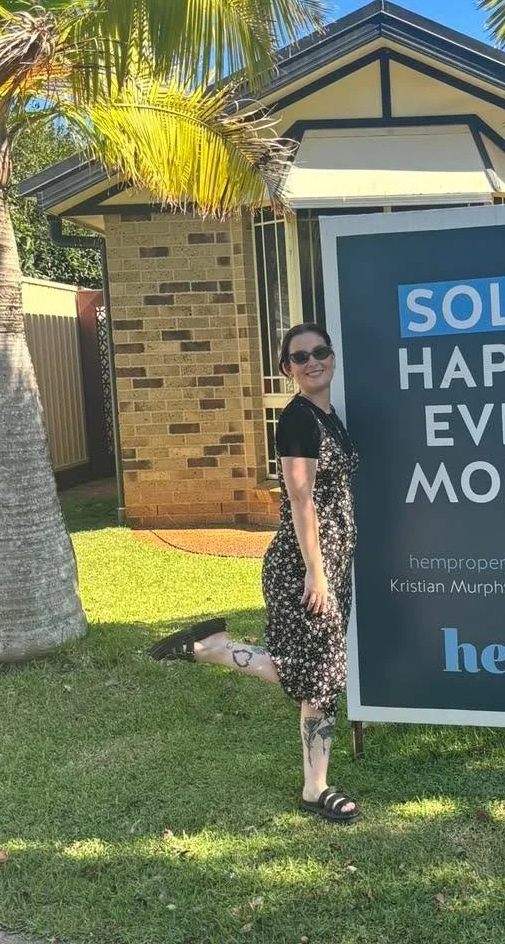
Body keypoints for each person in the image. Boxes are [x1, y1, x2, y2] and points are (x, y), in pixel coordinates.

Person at [149, 322, 360, 824]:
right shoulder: (299, 420)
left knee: (313, 671)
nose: (313, 362)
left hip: (331, 561)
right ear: (287, 369)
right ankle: (315, 789)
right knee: (320, 678)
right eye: (300, 357)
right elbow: (300, 496)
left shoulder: (326, 416)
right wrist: (317, 573)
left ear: (332, 357)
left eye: (321, 352)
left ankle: (210, 648)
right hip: (307, 565)